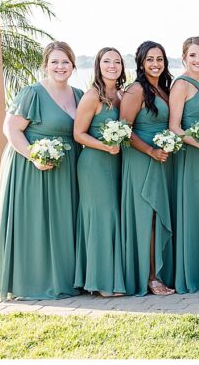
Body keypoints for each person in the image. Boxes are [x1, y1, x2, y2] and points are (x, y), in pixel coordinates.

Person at [0, 41, 83, 300]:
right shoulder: (32, 93)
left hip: (67, 169)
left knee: (62, 222)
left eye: (65, 62)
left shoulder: (79, 95)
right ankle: (31, 282)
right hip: (31, 167)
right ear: (45, 65)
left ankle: (64, 278)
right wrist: (35, 156)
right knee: (36, 222)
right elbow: (11, 129)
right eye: (54, 62)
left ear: (73, 66)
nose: (60, 67)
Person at [119, 40, 176, 296]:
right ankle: (150, 277)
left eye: (160, 59)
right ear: (141, 63)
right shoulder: (136, 90)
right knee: (148, 217)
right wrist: (151, 150)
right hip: (142, 158)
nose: (156, 64)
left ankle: (160, 272)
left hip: (162, 158)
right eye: (150, 59)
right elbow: (124, 129)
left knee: (157, 215)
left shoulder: (163, 89)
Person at [73, 47, 127, 297]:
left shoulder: (121, 94)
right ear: (98, 65)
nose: (112, 65)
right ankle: (101, 282)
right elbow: (78, 134)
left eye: (117, 61)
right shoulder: (92, 95)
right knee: (101, 218)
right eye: (107, 61)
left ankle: (112, 277)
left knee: (114, 216)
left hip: (115, 163)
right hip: (94, 163)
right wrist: (104, 145)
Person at [168, 36, 199, 294]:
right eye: (193, 55)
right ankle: (191, 274)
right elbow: (174, 127)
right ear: (183, 58)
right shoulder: (182, 85)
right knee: (191, 211)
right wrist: (197, 143)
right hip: (189, 156)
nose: (198, 60)